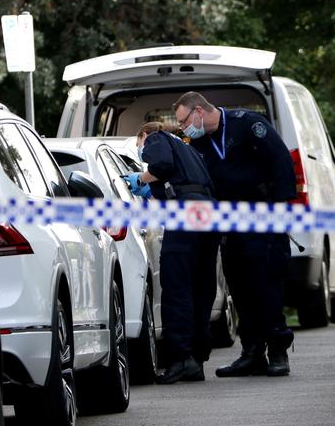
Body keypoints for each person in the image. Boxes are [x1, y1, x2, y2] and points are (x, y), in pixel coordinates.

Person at [172, 91, 296, 377]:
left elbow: (280, 162)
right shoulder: (199, 143)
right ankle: (251, 353)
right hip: (229, 225)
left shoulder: (247, 124)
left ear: (199, 112)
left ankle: (278, 350)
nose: (183, 128)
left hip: (263, 218)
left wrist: (281, 209)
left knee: (267, 285)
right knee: (240, 288)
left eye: (183, 121)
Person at [123, 121, 219, 384]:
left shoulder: (156, 138)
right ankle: (196, 361)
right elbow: (180, 180)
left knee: (177, 289)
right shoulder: (187, 149)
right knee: (201, 289)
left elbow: (161, 165)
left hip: (185, 218)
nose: (142, 150)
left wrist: (141, 178)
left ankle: (179, 361)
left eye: (138, 143)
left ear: (143, 135)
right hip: (208, 216)